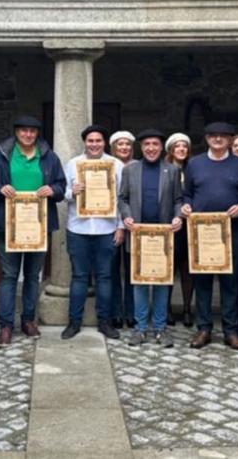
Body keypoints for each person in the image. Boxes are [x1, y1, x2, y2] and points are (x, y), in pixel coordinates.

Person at [0, 115, 66, 346]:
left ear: (37, 133)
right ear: (16, 132)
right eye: (24, 131)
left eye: (32, 131)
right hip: (9, 225)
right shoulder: (3, 155)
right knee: (9, 275)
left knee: (32, 275)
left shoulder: (49, 157)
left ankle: (28, 320)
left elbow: (61, 185)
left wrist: (52, 190)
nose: (28, 135)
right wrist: (0, 189)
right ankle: (6, 325)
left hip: (38, 225)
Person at [181, 121, 238, 350]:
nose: (218, 139)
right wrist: (186, 206)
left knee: (230, 281)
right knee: (202, 281)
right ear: (207, 138)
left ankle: (231, 330)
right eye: (213, 135)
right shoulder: (195, 164)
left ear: (230, 140)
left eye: (223, 136)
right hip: (202, 231)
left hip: (231, 230)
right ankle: (204, 328)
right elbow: (187, 194)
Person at [118, 129, 184, 347]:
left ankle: (160, 328)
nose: (151, 148)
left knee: (162, 283)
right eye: (147, 144)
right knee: (139, 283)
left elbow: (178, 200)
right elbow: (123, 199)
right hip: (139, 235)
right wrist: (126, 216)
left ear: (161, 147)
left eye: (155, 144)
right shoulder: (130, 170)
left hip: (163, 236)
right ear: (141, 147)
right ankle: (139, 329)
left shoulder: (172, 170)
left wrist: (178, 217)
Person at [62, 124, 124, 340]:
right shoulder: (73, 164)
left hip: (107, 229)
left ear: (104, 143)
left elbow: (121, 197)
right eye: (90, 141)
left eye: (98, 141)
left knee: (105, 277)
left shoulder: (116, 165)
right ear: (85, 142)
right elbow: (63, 193)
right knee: (79, 276)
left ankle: (104, 322)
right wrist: (72, 192)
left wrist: (121, 226)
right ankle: (74, 322)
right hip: (78, 228)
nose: (94, 144)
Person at [109, 130, 137, 329]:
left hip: (134, 223)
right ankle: (116, 312)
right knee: (112, 270)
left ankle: (131, 312)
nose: (124, 147)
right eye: (120, 144)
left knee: (132, 269)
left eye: (127, 144)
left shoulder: (138, 166)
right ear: (113, 147)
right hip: (110, 223)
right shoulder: (107, 165)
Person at [165, 132, 194, 327]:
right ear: (171, 150)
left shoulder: (194, 169)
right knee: (168, 268)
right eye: (177, 146)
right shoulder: (164, 169)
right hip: (171, 225)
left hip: (190, 226)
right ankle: (166, 308)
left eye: (184, 146)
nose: (181, 149)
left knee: (187, 269)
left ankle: (187, 309)